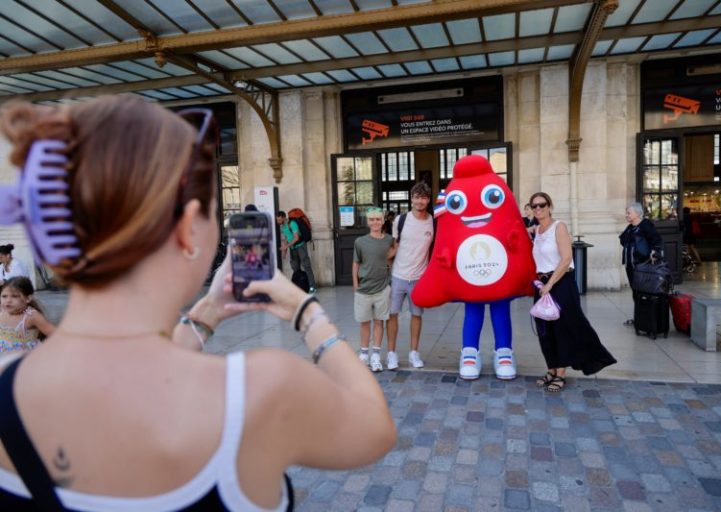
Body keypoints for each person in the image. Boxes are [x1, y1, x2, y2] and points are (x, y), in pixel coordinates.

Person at [0, 96, 395, 511]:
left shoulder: (7, 381)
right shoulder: (260, 391)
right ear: (188, 230)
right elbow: (375, 429)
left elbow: (136, 377)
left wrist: (207, 313)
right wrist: (307, 313)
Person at [530, 192, 616, 392]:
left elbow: (566, 258)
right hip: (542, 285)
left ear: (550, 206)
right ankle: (551, 369)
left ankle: (560, 373)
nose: (538, 209)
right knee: (545, 331)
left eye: (542, 205)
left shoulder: (558, 227)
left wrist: (550, 284)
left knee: (563, 329)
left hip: (560, 284)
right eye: (534, 206)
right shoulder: (537, 230)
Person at [386, 182, 433, 370]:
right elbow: (394, 245)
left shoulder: (433, 221)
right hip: (398, 275)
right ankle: (391, 353)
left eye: (423, 197)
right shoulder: (400, 220)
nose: (419, 201)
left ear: (428, 200)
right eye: (416, 197)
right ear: (411, 198)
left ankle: (414, 353)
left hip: (419, 278)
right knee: (392, 315)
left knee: (416, 315)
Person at [353, 208, 396, 372]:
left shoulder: (389, 240)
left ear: (383, 221)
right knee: (364, 323)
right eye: (372, 220)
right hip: (364, 288)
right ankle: (364, 353)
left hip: (382, 288)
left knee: (379, 322)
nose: (375, 222)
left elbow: (394, 248)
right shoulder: (360, 241)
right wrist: (355, 284)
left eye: (378, 219)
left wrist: (388, 259)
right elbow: (356, 263)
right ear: (368, 222)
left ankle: (376, 354)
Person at [619, 202, 663, 325]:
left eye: (629, 213)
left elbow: (657, 240)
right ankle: (639, 318)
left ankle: (647, 319)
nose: (626, 215)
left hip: (643, 266)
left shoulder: (646, 225)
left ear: (637, 213)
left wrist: (654, 251)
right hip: (630, 266)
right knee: (635, 292)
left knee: (644, 292)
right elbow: (623, 241)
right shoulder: (630, 227)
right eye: (626, 213)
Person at [0, 276, 55, 353]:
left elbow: (55, 334)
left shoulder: (31, 316)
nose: (8, 300)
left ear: (28, 299)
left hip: (23, 359)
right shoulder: (1, 311)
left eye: (15, 296)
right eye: (4, 296)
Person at [277, 210, 317, 294]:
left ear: (284, 217)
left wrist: (285, 247)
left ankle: (312, 286)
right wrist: (285, 250)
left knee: (306, 266)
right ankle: (299, 286)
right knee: (295, 268)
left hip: (300, 246)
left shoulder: (292, 224)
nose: (278, 222)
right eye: (277, 220)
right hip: (293, 248)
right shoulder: (283, 226)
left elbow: (296, 238)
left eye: (280, 220)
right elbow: (286, 238)